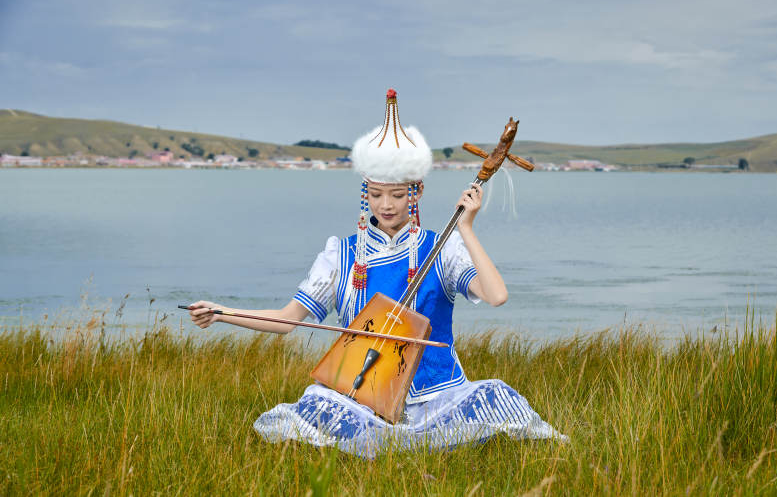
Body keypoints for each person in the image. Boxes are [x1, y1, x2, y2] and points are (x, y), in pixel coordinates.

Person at [187, 89, 566, 458]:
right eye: (377, 194)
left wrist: (466, 227)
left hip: (439, 396)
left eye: (398, 195)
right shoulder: (341, 254)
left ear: (416, 192)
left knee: (496, 395)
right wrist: (223, 313)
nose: (386, 205)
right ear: (365, 192)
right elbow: (288, 321)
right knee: (318, 401)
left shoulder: (443, 246)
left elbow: (496, 296)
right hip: (363, 396)